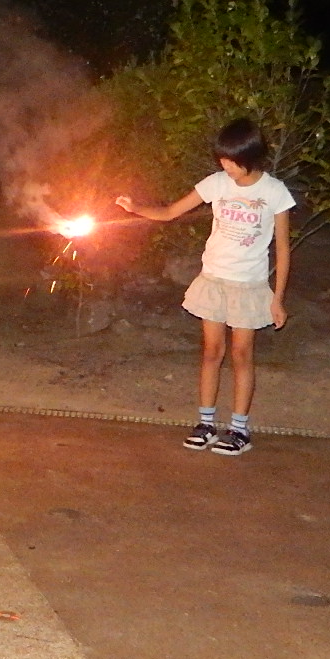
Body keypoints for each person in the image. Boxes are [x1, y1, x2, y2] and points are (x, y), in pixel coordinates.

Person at [114, 117, 294, 456]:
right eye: (222, 160)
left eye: (231, 161)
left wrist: (277, 299)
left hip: (248, 285)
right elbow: (171, 212)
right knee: (211, 352)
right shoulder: (217, 183)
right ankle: (206, 423)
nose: (225, 166)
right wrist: (135, 207)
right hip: (213, 279)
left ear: (250, 157)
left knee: (242, 354)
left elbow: (283, 249)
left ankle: (239, 429)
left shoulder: (274, 192)